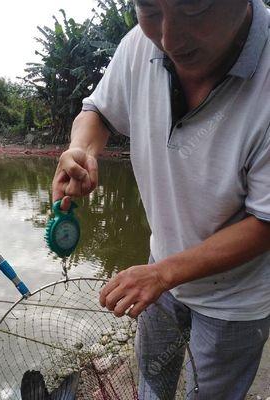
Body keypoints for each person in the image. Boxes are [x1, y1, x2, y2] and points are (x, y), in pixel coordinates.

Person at [52, 0, 270, 399]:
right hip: (159, 269)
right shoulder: (140, 45)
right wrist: (81, 149)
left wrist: (163, 275)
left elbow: (265, 223)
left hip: (235, 298)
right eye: (149, 9)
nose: (168, 39)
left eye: (196, 8)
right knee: (152, 381)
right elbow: (97, 110)